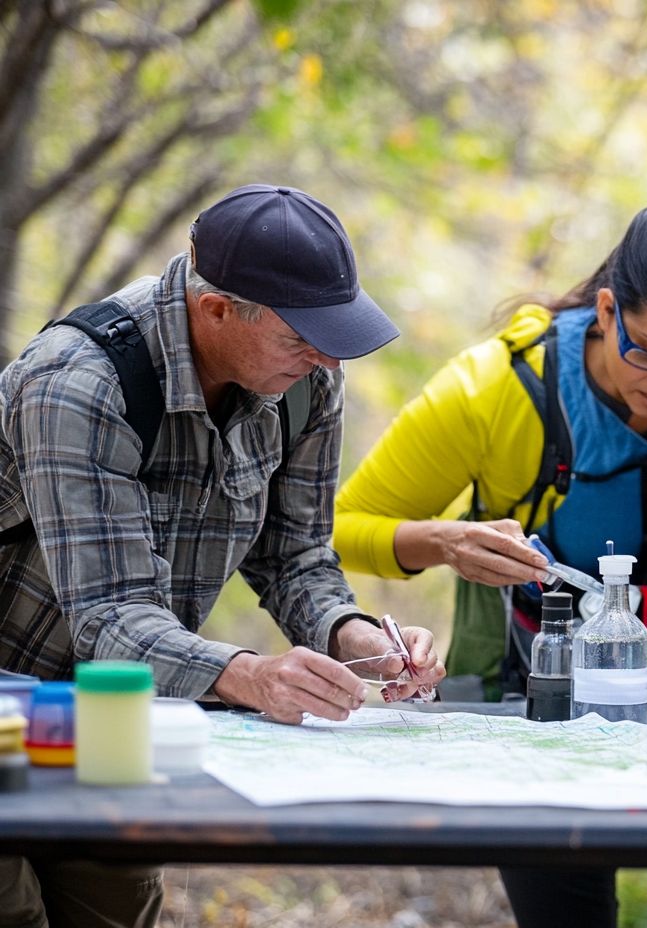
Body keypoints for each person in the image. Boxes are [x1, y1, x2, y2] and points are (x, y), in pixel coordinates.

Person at [0, 183, 446, 928]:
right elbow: (110, 618)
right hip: (10, 696)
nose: (327, 359)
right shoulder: (78, 381)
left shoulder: (305, 384)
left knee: (116, 911)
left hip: (116, 715)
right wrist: (251, 676)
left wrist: (355, 637)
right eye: (303, 337)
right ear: (215, 310)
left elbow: (295, 555)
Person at [334, 190, 647, 928]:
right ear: (606, 308)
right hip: (535, 702)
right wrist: (446, 542)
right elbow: (345, 526)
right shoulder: (499, 388)